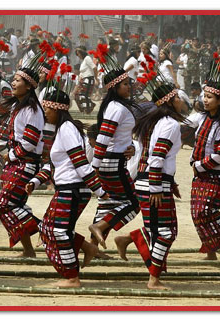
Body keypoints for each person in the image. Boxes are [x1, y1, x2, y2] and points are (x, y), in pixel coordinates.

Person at [25, 89, 108, 288]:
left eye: (47, 108)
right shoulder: (63, 129)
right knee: (49, 229)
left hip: (72, 190)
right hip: (68, 189)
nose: (45, 113)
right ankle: (87, 249)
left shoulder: (67, 129)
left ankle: (72, 277)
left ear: (58, 109)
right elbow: (54, 165)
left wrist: (101, 192)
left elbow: (80, 163)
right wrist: (35, 182)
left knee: (57, 231)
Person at [114, 80, 185, 290]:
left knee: (159, 229)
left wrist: (169, 183)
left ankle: (132, 241)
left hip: (152, 181)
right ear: (170, 101)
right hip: (153, 183)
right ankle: (153, 279)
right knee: (165, 232)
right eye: (178, 97)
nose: (182, 101)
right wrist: (157, 186)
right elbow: (157, 156)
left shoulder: (156, 122)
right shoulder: (169, 124)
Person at [87, 48, 140, 250]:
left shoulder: (115, 107)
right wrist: (96, 166)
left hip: (112, 160)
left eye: (129, 83)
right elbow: (103, 138)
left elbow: (117, 138)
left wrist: (131, 148)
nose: (129, 87)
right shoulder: (116, 108)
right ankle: (99, 226)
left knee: (108, 204)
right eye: (125, 84)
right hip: (112, 163)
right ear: (115, 87)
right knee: (133, 204)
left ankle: (93, 248)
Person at [189, 59, 220, 260]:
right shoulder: (203, 117)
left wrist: (198, 165)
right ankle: (211, 252)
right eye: (205, 96)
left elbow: (219, 155)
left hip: (216, 174)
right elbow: (183, 122)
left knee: (206, 211)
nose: (206, 100)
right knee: (196, 213)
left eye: (210, 97)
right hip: (201, 172)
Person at [0, 67, 44, 257]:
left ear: (29, 86)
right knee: (16, 206)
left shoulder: (32, 110)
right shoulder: (18, 106)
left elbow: (30, 143)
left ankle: (49, 231)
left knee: (4, 205)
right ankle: (28, 249)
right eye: (13, 79)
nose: (13, 83)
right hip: (17, 163)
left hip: (25, 163)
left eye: (18, 80)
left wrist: (11, 155)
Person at [73, 46, 98, 114]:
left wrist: (96, 78)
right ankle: (86, 108)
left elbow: (94, 68)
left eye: (78, 54)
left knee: (83, 95)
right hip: (84, 80)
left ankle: (87, 109)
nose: (78, 56)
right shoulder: (84, 61)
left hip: (88, 79)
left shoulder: (87, 58)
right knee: (77, 95)